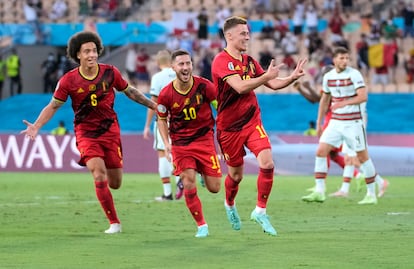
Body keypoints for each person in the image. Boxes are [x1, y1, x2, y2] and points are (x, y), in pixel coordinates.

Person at [20, 31, 157, 234]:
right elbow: (53, 106)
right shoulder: (68, 81)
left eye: (94, 50)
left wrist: (154, 105)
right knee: (98, 174)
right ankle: (114, 223)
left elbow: (131, 91)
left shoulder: (110, 72)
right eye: (87, 51)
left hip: (110, 131)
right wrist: (37, 125)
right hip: (86, 133)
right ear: (78, 55)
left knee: (116, 183)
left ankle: (113, 213)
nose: (92, 54)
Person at [211, 16, 307, 236]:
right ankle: (229, 204)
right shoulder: (221, 61)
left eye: (248, 33)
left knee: (267, 163)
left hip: (252, 121)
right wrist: (265, 78)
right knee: (235, 176)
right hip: (228, 128)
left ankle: (260, 211)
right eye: (243, 33)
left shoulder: (250, 61)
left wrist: (292, 77)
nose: (247, 36)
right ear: (229, 35)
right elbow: (241, 87)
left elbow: (272, 83)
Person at [301, 47, 383, 205]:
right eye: (341, 58)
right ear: (334, 60)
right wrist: (319, 123)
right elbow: (324, 100)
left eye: (347, 58)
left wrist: (343, 103)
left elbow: (363, 96)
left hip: (354, 123)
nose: (345, 61)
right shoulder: (328, 77)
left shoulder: (354, 74)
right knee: (321, 151)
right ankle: (319, 191)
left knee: (362, 157)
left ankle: (371, 194)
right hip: (336, 122)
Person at [156, 49, 222, 238]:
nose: (185, 67)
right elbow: (161, 119)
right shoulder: (166, 94)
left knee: (215, 188)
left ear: (192, 65)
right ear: (173, 67)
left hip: (205, 140)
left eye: (188, 63)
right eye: (181, 64)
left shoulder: (205, 86)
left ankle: (202, 172)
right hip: (181, 144)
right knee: (188, 181)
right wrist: (167, 143)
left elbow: (220, 108)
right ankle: (201, 225)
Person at [143, 50, 183, 201]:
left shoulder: (157, 77)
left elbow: (153, 102)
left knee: (163, 153)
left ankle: (168, 193)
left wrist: (147, 125)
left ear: (157, 63)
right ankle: (180, 179)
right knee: (178, 152)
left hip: (164, 120)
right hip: (181, 119)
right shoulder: (180, 73)